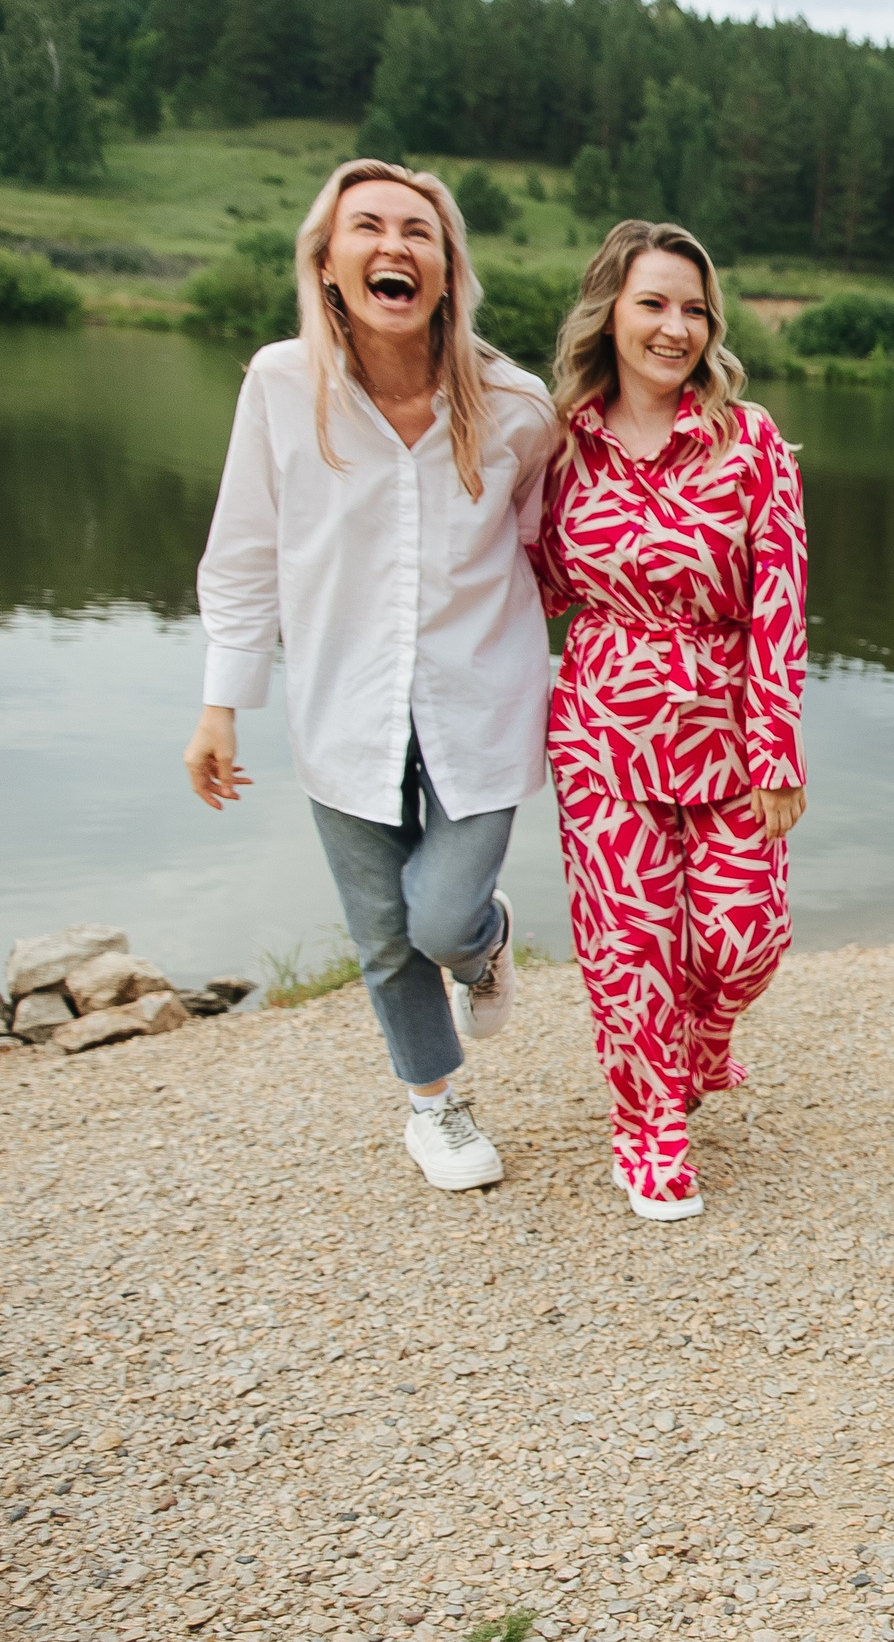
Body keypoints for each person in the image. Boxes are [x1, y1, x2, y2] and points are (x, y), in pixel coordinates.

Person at [187, 160, 555, 1194]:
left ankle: (483, 943)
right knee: (386, 937)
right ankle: (436, 1108)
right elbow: (242, 551)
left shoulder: (520, 407)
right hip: (339, 707)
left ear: (447, 269)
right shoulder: (276, 385)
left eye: (418, 232)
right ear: (329, 262)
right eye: (368, 227)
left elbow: (539, 547)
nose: (394, 245)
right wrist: (222, 703)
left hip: (481, 700)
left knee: (440, 920)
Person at [532, 220, 807, 1224]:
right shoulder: (561, 442)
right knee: (628, 943)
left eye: (693, 309)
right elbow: (532, 581)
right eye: (653, 303)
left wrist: (778, 748)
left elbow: (778, 599)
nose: (674, 327)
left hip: (729, 728)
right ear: (610, 312)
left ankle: (699, 1042)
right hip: (600, 728)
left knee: (745, 939)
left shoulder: (750, 440)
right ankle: (648, 1127)